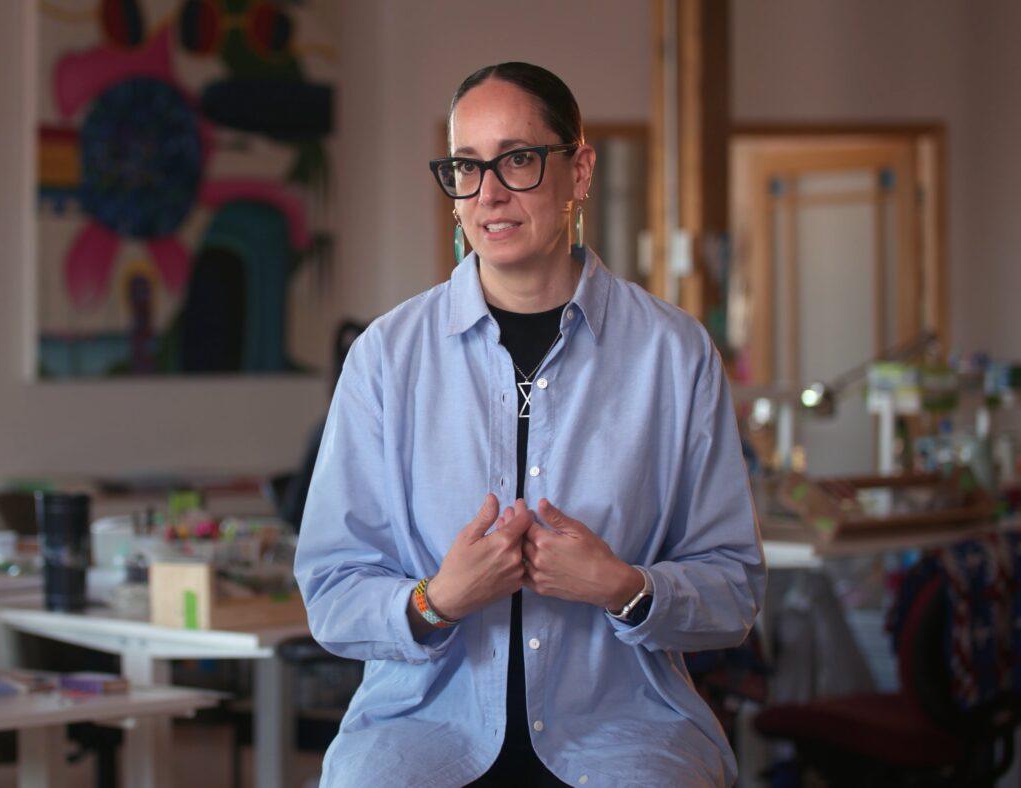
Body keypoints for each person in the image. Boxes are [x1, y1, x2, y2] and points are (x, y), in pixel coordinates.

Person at [294, 62, 765, 787]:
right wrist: (436, 601)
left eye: (517, 159)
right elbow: (331, 589)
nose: (488, 193)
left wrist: (624, 587)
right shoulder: (386, 357)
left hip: (627, 732)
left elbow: (731, 590)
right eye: (466, 166)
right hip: (419, 731)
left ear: (580, 171)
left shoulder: (673, 354)